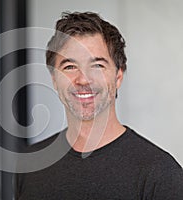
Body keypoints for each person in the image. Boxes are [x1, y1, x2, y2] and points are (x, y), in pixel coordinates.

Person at [14, 11, 183, 200]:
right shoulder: (31, 164)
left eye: (97, 66)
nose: (83, 79)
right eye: (69, 66)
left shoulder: (159, 174)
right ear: (54, 80)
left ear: (118, 77)